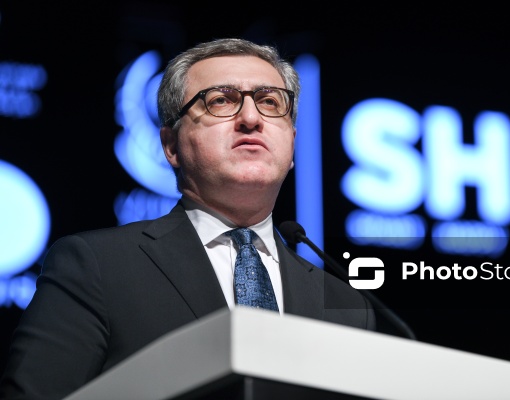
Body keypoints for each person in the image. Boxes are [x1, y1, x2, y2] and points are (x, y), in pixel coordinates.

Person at [0, 37, 375, 399]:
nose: (251, 118)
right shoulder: (96, 266)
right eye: (220, 100)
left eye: (269, 102)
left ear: (291, 142)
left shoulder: (346, 305)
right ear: (170, 145)